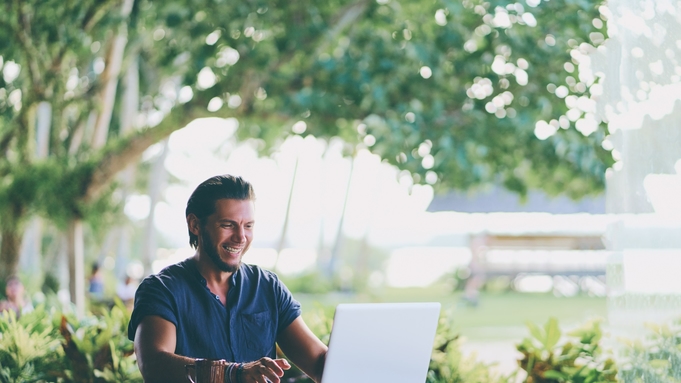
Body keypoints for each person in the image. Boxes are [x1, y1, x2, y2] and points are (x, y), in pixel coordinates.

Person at [128, 175, 327, 383]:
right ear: (195, 225)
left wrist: (352, 361)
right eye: (228, 225)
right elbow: (153, 364)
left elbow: (319, 362)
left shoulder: (268, 287)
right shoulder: (162, 289)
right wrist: (234, 373)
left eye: (248, 226)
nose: (241, 237)